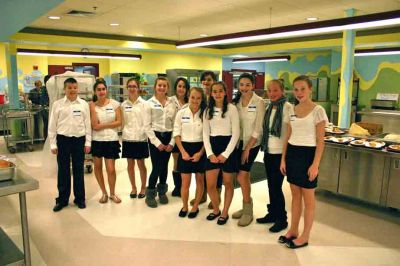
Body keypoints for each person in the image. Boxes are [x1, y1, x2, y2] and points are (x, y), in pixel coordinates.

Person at [279, 75, 328, 249]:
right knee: (295, 195)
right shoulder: (291, 109)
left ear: (310, 90)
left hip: (308, 156)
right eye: (296, 89)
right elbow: (288, 135)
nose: (299, 93)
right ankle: (293, 230)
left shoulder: (318, 110)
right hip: (292, 154)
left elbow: (320, 140)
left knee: (308, 199)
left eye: (303, 89)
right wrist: (283, 159)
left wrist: (315, 165)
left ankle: (305, 236)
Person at [48, 77, 91, 212]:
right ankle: (62, 200)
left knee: (79, 170)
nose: (72, 90)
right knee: (63, 170)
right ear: (64, 89)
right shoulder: (58, 105)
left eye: (74, 88)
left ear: (77, 89)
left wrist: (88, 142)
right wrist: (53, 144)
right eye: (69, 88)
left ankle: (80, 199)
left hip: (79, 140)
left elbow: (88, 125)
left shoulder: (84, 104)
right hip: (63, 140)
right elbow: (52, 126)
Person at [256, 79, 293, 233]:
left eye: (275, 90)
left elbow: (289, 134)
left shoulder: (287, 107)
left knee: (276, 187)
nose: (272, 93)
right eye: (269, 90)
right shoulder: (270, 106)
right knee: (271, 185)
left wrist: (284, 158)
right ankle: (272, 213)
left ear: (282, 90)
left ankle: (282, 219)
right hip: (269, 152)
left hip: (281, 154)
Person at [231, 73, 265, 227]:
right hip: (238, 143)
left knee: (242, 176)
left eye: (247, 85)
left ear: (253, 86)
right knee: (241, 175)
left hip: (252, 144)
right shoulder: (235, 102)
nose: (244, 88)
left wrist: (247, 148)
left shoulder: (259, 102)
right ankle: (245, 206)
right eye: (241, 85)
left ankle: (248, 211)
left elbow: (258, 129)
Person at [203, 81, 240, 225]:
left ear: (225, 92)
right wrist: (210, 153)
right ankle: (216, 209)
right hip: (212, 147)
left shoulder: (231, 109)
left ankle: (225, 211)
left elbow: (236, 133)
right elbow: (205, 134)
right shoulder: (207, 111)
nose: (217, 94)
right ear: (211, 94)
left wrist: (226, 154)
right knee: (210, 185)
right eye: (214, 91)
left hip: (228, 148)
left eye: (220, 91)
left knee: (228, 183)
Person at [189, 71, 223, 209]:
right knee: (203, 169)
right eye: (203, 80)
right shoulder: (201, 97)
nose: (205, 82)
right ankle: (202, 194)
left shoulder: (218, 97)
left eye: (208, 80)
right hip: (203, 138)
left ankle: (217, 195)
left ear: (214, 80)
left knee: (217, 169)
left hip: (216, 139)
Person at [143, 77, 177, 208]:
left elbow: (175, 125)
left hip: (168, 137)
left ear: (167, 88)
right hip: (155, 138)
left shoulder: (172, 103)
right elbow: (147, 126)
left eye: (164, 86)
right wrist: (157, 143)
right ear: (155, 87)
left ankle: (162, 192)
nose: (162, 88)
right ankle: (150, 194)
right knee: (157, 166)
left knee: (164, 167)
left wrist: (172, 142)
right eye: (159, 85)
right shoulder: (149, 103)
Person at [173, 87, 207, 218]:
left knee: (200, 181)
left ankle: (195, 206)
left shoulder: (205, 114)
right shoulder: (181, 113)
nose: (195, 100)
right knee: (185, 182)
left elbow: (207, 136)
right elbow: (176, 134)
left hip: (200, 149)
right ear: (188, 96)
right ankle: (185, 206)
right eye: (193, 97)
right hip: (184, 149)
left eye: (198, 98)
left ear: (202, 99)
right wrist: (182, 152)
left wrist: (201, 153)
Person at [90, 79, 122, 204]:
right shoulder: (92, 106)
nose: (102, 91)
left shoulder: (115, 104)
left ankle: (112, 193)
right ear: (95, 91)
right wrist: (108, 124)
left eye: (103, 89)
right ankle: (104, 192)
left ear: (106, 90)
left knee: (111, 169)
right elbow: (94, 125)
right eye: (99, 89)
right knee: (97, 167)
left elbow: (119, 122)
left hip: (111, 140)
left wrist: (102, 125)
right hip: (97, 140)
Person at [121, 78, 148, 199]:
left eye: (134, 86)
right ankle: (133, 188)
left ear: (138, 88)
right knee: (130, 164)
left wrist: (143, 133)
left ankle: (143, 187)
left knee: (141, 163)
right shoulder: (123, 105)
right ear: (127, 88)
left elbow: (147, 122)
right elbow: (122, 122)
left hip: (140, 138)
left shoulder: (144, 104)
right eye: (130, 86)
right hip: (128, 138)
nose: (132, 89)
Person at [170, 77, 190, 197]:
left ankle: (184, 186)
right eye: (179, 86)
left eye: (184, 87)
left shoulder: (190, 102)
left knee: (185, 162)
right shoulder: (170, 100)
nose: (181, 89)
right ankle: (178, 187)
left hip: (187, 136)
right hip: (175, 136)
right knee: (176, 161)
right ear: (176, 87)